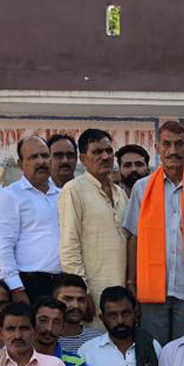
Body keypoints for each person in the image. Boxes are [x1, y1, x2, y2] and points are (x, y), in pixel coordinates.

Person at [125, 120, 184, 344]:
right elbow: (134, 238)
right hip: (152, 287)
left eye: (179, 144)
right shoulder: (142, 188)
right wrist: (131, 282)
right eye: (167, 144)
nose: (173, 151)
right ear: (157, 148)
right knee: (154, 350)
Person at [59, 128, 129, 309]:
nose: (105, 156)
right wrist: (81, 292)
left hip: (121, 292)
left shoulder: (121, 194)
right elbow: (69, 246)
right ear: (83, 159)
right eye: (97, 152)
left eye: (109, 151)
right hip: (92, 292)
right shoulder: (74, 190)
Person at [0, 135, 62, 303]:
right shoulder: (10, 196)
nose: (41, 162)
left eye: (45, 156)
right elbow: (3, 246)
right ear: (20, 163)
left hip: (61, 284)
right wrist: (15, 287)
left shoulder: (62, 195)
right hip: (29, 284)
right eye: (33, 157)